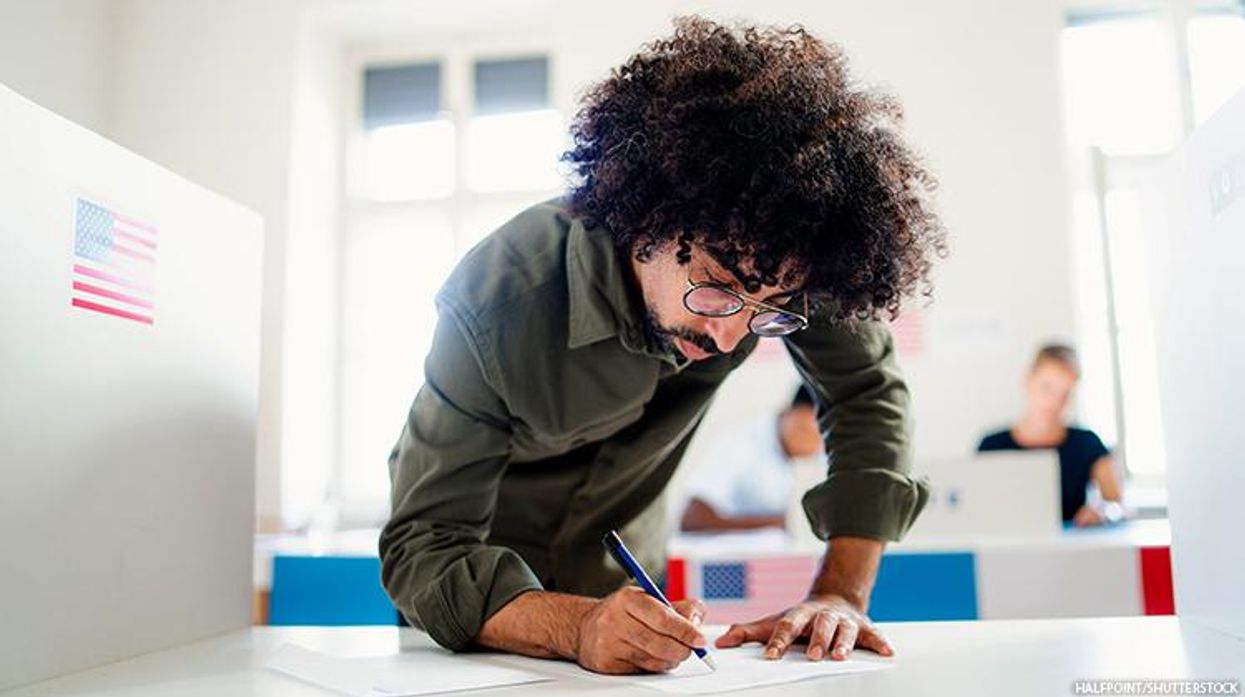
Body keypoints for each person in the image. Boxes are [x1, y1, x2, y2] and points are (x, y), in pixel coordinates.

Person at [380, 16, 946, 676]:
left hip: (628, 600)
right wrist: (574, 625)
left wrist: (840, 593)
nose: (731, 336)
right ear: (648, 221)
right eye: (716, 288)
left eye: (768, 309)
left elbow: (866, 392)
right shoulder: (497, 299)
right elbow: (424, 547)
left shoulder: (783, 253)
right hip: (480, 623)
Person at [978, 344, 1125, 527]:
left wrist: (1103, 511)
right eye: (1047, 388)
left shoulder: (1086, 443)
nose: (1055, 402)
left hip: (1071, 543)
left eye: (1065, 393)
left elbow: (1117, 504)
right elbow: (975, 507)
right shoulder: (991, 446)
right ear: (1027, 381)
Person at [680, 386, 823, 532]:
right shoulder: (740, 445)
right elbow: (692, 517)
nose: (813, 445)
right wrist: (784, 523)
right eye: (805, 430)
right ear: (786, 413)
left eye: (821, 438)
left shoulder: (816, 453)